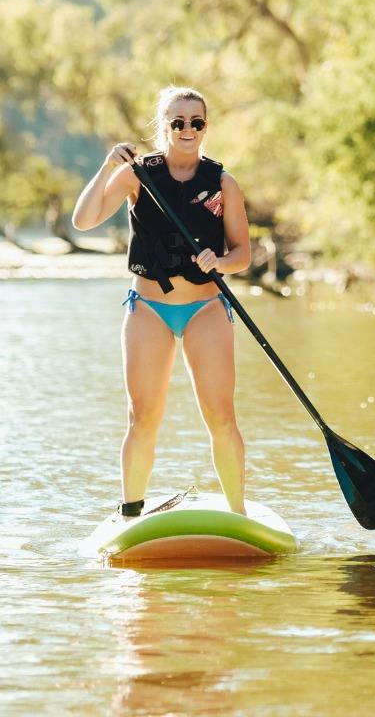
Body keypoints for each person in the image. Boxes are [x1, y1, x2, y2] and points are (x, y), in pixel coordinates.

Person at [71, 86, 253, 518]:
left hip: (206, 308)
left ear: (205, 127)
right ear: (164, 126)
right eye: (178, 122)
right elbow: (83, 220)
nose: (187, 129)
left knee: (221, 416)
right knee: (142, 417)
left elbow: (242, 252)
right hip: (148, 309)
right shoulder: (138, 174)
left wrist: (221, 262)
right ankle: (131, 512)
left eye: (196, 122)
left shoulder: (223, 183)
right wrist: (106, 167)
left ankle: (237, 514)